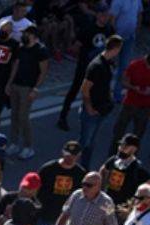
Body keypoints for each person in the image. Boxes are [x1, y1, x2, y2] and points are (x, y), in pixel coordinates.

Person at [57, 3, 115, 131]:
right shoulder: (88, 28)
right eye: (103, 15)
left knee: (98, 92)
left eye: (107, 15)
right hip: (85, 65)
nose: (106, 18)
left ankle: (91, 116)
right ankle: (62, 117)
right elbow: (76, 46)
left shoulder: (109, 29)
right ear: (98, 15)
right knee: (75, 89)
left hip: (100, 67)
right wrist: (84, 57)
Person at [4, 25, 50, 161]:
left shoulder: (41, 51)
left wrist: (35, 89)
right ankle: (13, 143)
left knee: (23, 117)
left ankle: (28, 146)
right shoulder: (21, 48)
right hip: (16, 85)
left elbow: (43, 72)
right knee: (14, 115)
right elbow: (16, 65)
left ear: (34, 36)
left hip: (28, 88)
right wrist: (9, 83)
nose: (24, 36)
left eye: (27, 34)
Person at [79, 36, 125, 168]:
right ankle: (79, 168)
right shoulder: (96, 65)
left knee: (91, 142)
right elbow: (85, 88)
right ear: (115, 48)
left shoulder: (109, 63)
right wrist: (89, 107)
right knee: (85, 142)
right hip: (92, 110)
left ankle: (84, 167)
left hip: (101, 108)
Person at [36, 142, 88, 225]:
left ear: (79, 155)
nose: (70, 157)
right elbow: (35, 189)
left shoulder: (81, 174)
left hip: (67, 217)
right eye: (68, 154)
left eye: (74, 155)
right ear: (62, 152)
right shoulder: (48, 169)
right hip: (45, 215)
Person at [108, 51, 150, 154]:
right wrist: (134, 88)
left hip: (145, 108)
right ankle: (112, 156)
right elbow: (124, 81)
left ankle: (130, 160)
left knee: (137, 136)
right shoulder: (135, 65)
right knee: (118, 132)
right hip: (129, 104)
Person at [101, 134, 150, 209]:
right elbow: (102, 171)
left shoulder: (137, 168)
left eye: (125, 146)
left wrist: (133, 204)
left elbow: (147, 185)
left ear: (134, 149)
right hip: (106, 203)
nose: (121, 149)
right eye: (120, 145)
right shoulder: (114, 160)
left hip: (121, 208)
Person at [108, 0, 141, 102]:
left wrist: (137, 28)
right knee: (108, 66)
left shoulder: (137, 1)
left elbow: (139, 14)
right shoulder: (118, 1)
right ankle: (103, 92)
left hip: (130, 38)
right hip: (117, 38)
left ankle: (117, 94)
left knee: (124, 66)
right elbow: (112, 19)